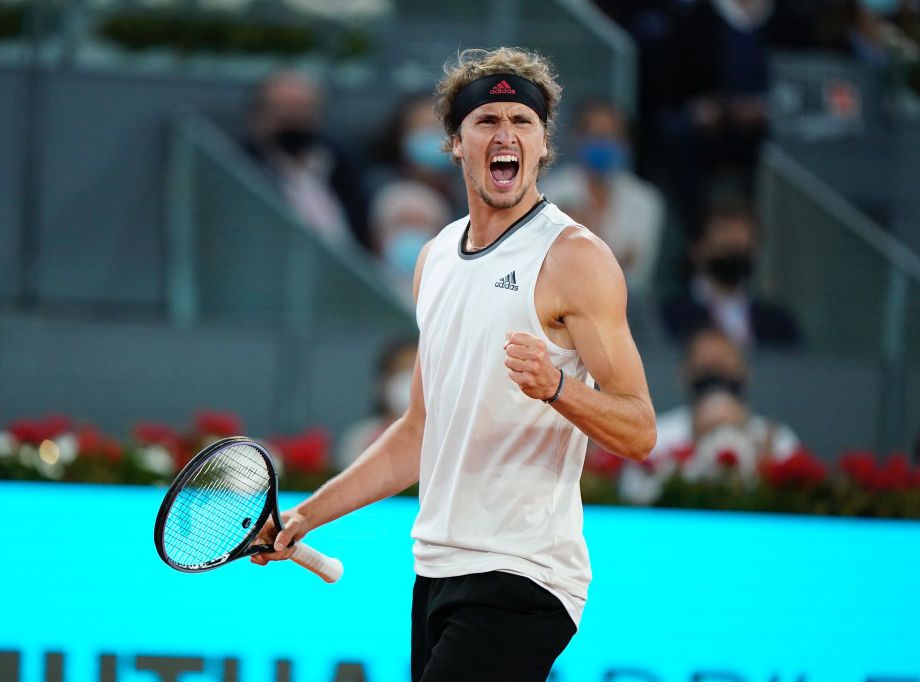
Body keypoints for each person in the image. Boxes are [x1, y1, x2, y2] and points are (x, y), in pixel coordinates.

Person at [251, 47, 657, 681]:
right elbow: (418, 432)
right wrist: (306, 515)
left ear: (543, 144)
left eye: (522, 122)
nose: (506, 134)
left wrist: (557, 387)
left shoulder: (575, 259)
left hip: (525, 573)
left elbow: (639, 430)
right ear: (456, 144)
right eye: (487, 120)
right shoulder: (435, 258)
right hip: (438, 571)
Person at [619, 325, 800, 503]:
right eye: (706, 368)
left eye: (723, 366)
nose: (715, 376)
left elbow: (799, 502)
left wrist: (760, 463)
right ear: (684, 374)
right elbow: (631, 495)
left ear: (746, 372)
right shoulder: (656, 437)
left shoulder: (777, 439)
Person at [541, 99, 664, 295]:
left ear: (626, 143)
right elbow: (548, 265)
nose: (602, 142)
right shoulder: (548, 193)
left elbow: (636, 272)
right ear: (576, 137)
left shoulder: (645, 200)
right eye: (594, 134)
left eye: (610, 135)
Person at [240, 70, 370, 249]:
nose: (293, 118)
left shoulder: (340, 164)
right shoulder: (241, 168)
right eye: (282, 109)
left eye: (302, 109)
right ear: (259, 114)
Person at [660, 195, 801, 348]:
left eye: (742, 246)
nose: (734, 246)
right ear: (697, 248)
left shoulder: (778, 324)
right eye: (725, 244)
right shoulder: (669, 318)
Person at [334, 339, 418, 470]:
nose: (410, 380)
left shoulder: (444, 438)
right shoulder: (361, 438)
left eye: (416, 372)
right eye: (402, 372)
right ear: (383, 383)